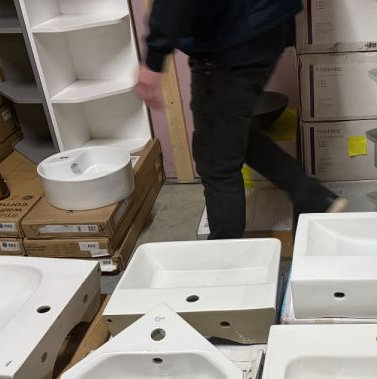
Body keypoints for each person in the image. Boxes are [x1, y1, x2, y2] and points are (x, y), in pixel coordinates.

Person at [135, 0, 346, 240]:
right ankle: (312, 195)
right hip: (265, 23)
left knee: (216, 160)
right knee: (227, 131)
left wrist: (154, 57)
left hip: (230, 37)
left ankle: (227, 254)